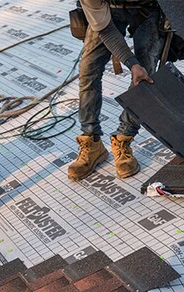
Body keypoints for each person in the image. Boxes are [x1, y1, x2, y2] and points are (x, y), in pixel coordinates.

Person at [68, 0, 165, 181]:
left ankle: (124, 138)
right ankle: (92, 141)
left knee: (146, 71)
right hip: (108, 9)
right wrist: (131, 62)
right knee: (88, 69)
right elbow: (106, 30)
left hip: (148, 7)